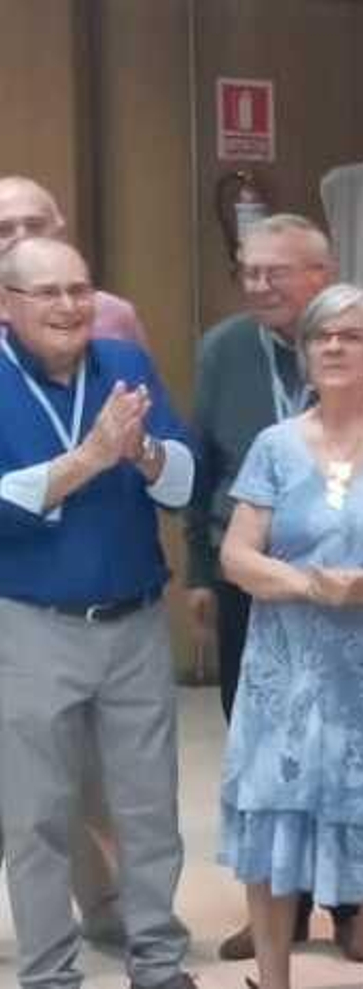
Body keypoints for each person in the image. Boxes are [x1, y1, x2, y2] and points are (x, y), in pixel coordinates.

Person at [218, 283, 363, 989]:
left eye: (353, 335)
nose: (337, 347)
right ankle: (274, 977)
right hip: (286, 667)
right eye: (323, 336)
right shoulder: (275, 444)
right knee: (275, 813)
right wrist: (309, 583)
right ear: (305, 353)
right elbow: (236, 553)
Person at [0, 236, 196, 989]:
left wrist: (142, 452)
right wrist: (86, 460)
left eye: (79, 288)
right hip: (30, 624)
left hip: (135, 619)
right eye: (46, 292)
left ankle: (160, 963)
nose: (68, 306)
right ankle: (49, 974)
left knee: (150, 807)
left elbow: (182, 480)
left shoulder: (125, 365)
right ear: (7, 305)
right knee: (38, 816)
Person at [183, 212, 359, 961]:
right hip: (246, 577)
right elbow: (203, 459)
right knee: (262, 749)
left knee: (348, 742)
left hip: (346, 576)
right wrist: (198, 569)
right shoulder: (223, 349)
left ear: (321, 272)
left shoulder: (359, 338)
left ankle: (352, 906)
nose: (258, 284)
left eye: (275, 271)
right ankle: (276, 910)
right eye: (249, 271)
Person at [0, 175, 150, 950]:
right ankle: (36, 935)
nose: (18, 234)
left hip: (67, 584)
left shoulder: (109, 321)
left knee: (88, 769)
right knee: (20, 775)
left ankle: (106, 906)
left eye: (34, 221)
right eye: (4, 226)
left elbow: (142, 433)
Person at [0, 176, 148, 346]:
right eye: (3, 229)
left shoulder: (113, 314)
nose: (22, 238)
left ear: (60, 234)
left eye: (35, 225)